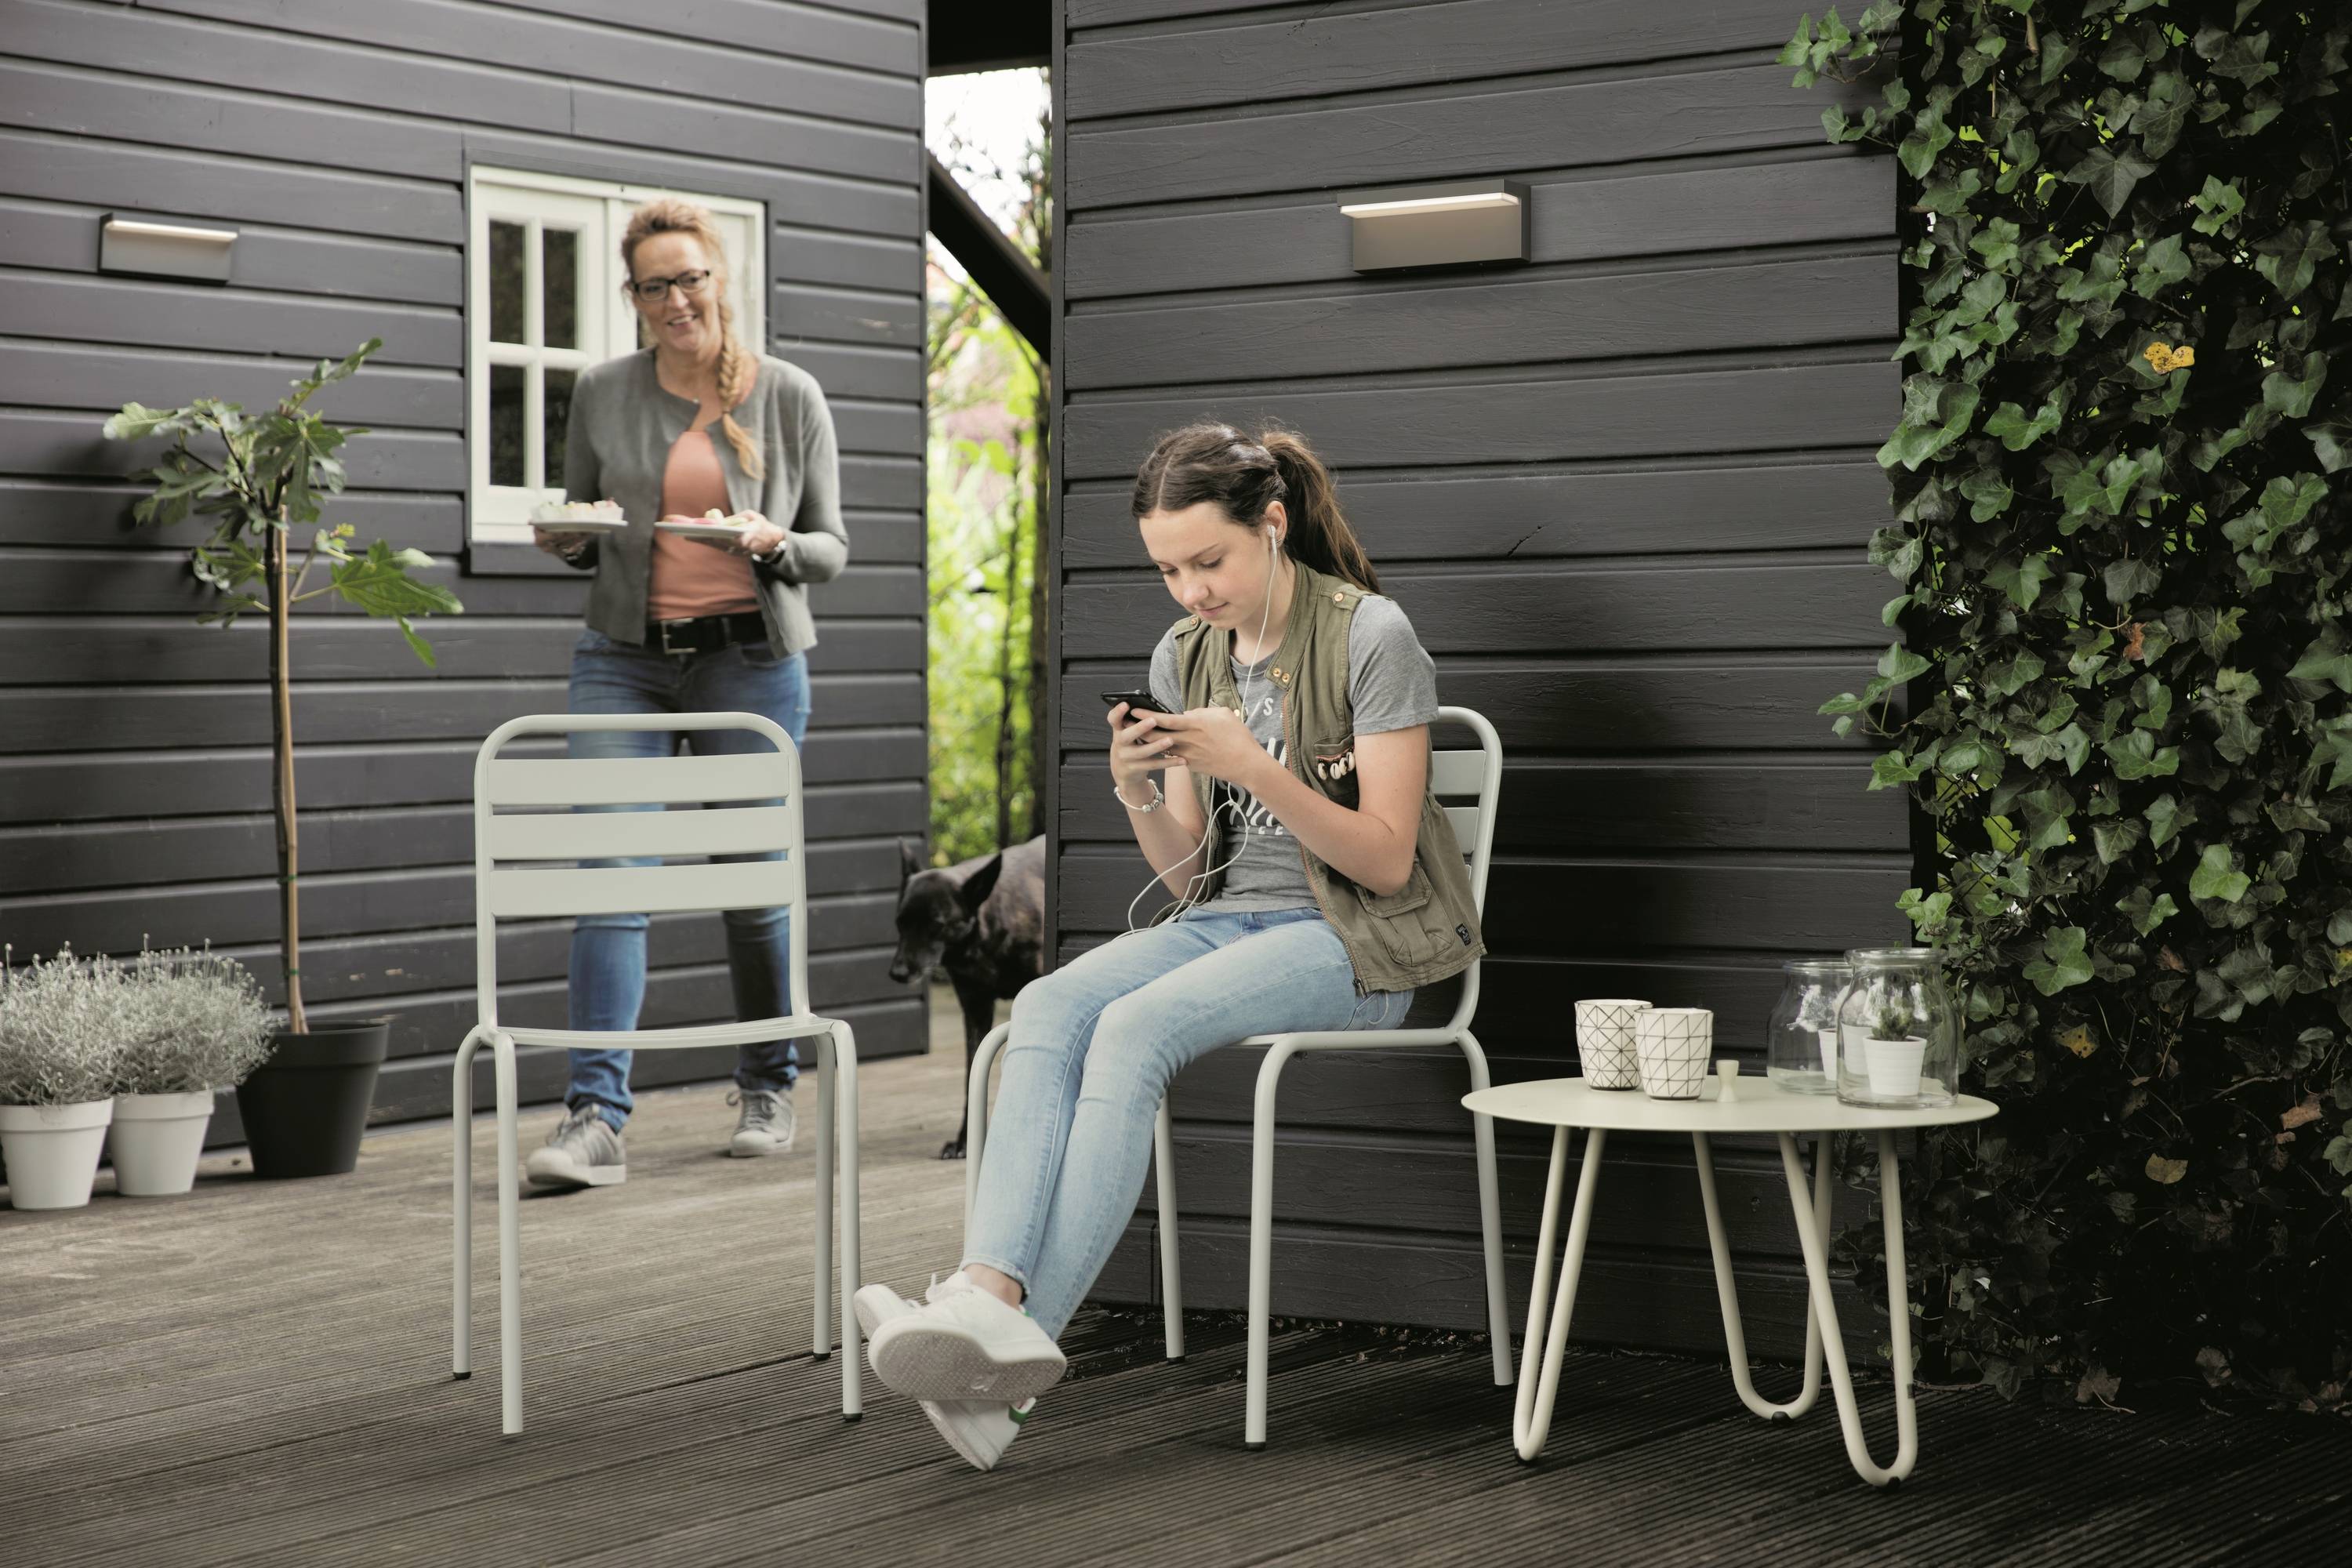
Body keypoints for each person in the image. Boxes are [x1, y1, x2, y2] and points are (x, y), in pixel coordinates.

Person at [853, 421, 1486, 1468]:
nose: (1191, 591)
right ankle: (987, 1298)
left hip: (1358, 944)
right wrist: (1138, 784)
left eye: (1209, 562)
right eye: (1168, 570)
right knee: (1051, 1007)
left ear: (1272, 526)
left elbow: (1382, 861)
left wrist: (1258, 762)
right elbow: (1192, 876)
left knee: (1135, 1028)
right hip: (1226, 923)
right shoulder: (1187, 655)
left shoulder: (1372, 637)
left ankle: (1003, 1347)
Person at [522, 197, 848, 1190]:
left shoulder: (788, 393)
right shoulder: (600, 391)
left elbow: (831, 547)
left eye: (690, 278)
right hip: (623, 657)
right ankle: (594, 1116)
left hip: (749, 660)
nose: (676, 299)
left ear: (722, 280)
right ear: (633, 298)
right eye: (654, 285)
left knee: (751, 886)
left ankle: (768, 1079)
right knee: (611, 875)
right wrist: (568, 532)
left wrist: (773, 542)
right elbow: (586, 517)